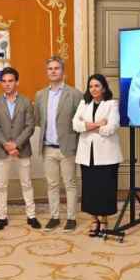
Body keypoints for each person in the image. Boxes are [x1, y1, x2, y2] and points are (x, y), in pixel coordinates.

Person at [0, 67, 39, 230]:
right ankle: (1, 217)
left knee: (26, 183)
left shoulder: (26, 102)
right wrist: (7, 146)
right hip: (2, 150)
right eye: (4, 81)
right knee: (1, 185)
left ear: (17, 82)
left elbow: (29, 126)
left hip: (22, 150)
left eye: (10, 81)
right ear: (1, 83)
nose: (7, 84)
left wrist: (16, 145)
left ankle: (31, 216)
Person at [35, 56, 82, 232]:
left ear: (63, 72)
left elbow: (80, 120)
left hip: (67, 147)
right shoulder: (40, 95)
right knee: (52, 184)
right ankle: (54, 217)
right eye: (50, 68)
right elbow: (39, 120)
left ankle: (71, 218)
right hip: (48, 148)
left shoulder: (74, 93)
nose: (53, 71)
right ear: (47, 72)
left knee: (70, 183)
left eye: (56, 68)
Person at [73, 74, 122, 236]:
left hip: (107, 155)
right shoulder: (83, 103)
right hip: (87, 155)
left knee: (105, 189)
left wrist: (87, 126)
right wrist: (97, 124)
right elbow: (75, 125)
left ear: (104, 88)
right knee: (90, 190)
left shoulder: (111, 104)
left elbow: (111, 128)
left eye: (97, 86)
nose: (93, 89)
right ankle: (94, 220)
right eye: (91, 86)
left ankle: (105, 220)